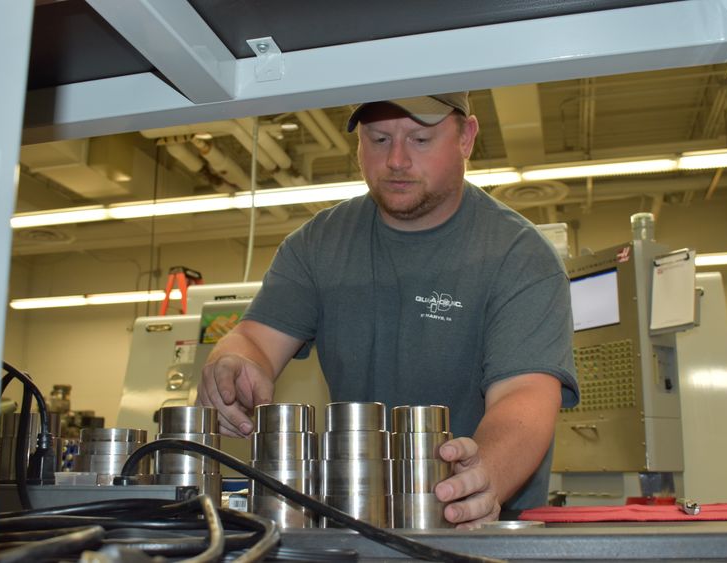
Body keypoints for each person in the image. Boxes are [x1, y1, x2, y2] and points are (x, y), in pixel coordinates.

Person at [197, 92, 579, 527]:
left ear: (466, 138)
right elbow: (254, 341)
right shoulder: (317, 245)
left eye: (419, 139)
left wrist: (484, 477)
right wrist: (231, 363)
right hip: (359, 516)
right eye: (378, 139)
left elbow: (524, 396)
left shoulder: (519, 256)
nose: (396, 160)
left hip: (484, 521)